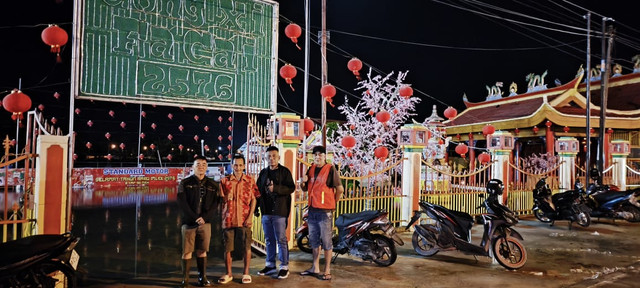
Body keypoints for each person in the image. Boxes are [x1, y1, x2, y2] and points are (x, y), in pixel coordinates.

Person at [299, 146, 344, 281]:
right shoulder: (311, 169)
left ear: (325, 156)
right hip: (312, 210)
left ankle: (327, 270)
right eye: (315, 154)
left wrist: (332, 204)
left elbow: (340, 189)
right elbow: (305, 188)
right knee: (314, 241)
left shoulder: (330, 169)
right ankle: (315, 267)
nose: (318, 157)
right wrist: (303, 182)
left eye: (320, 155)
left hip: (325, 212)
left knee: (326, 242)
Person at [176, 155, 222, 287]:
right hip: (189, 222)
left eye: (203, 164)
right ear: (193, 167)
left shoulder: (213, 184)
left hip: (205, 223)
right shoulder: (185, 183)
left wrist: (205, 218)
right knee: (187, 251)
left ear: (206, 167)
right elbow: (182, 203)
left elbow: (215, 203)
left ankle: (202, 278)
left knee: (202, 250)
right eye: (198, 164)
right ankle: (185, 279)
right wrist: (194, 217)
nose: (201, 166)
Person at [219, 154, 260, 284]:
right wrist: (226, 197)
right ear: (232, 166)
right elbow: (219, 201)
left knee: (246, 246)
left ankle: (246, 273)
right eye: (235, 165)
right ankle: (228, 273)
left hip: (244, 218)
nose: (238, 167)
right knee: (228, 248)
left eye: (240, 165)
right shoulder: (224, 181)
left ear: (244, 166)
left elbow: (254, 200)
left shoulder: (250, 180)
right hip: (228, 218)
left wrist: (250, 216)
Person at [255, 146, 296, 279]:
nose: (271, 158)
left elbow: (291, 188)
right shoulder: (263, 173)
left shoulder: (285, 172)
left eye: (274, 156)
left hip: (279, 210)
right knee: (269, 240)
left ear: (278, 157)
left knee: (281, 240)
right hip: (266, 211)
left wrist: (276, 188)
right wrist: (256, 208)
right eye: (269, 156)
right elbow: (257, 191)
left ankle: (284, 266)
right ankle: (270, 265)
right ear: (265, 158)